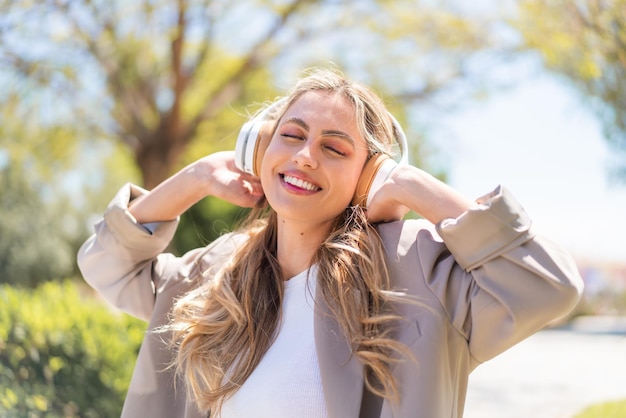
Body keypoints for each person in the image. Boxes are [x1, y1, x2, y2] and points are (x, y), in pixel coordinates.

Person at [77, 68, 584, 418]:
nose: (304, 157)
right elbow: (108, 266)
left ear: (369, 174)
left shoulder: (414, 268)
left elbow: (548, 284)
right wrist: (193, 179)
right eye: (291, 136)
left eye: (334, 148)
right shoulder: (216, 272)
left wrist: (415, 187)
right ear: (258, 150)